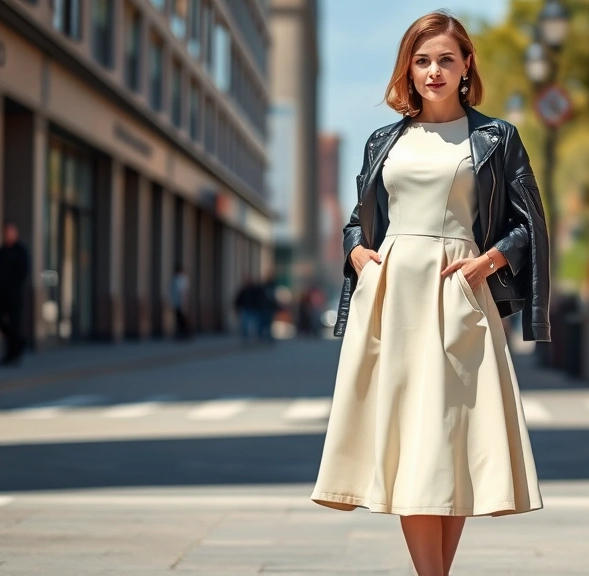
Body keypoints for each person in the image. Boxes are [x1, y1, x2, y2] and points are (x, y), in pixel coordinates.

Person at [310, 11, 550, 576]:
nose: (434, 71)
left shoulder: (495, 137)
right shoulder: (384, 139)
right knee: (412, 444)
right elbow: (358, 219)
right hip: (392, 299)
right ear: (408, 71)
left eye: (445, 59)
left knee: (449, 442)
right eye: (422, 61)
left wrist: (488, 261)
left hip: (458, 293)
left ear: (467, 64)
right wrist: (356, 253)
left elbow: (529, 222)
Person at [0, 222, 30, 366]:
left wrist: (13, 286)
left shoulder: (21, 250)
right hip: (1, 294)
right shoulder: (1, 251)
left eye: (10, 232)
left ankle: (12, 354)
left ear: (16, 233)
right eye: (5, 232)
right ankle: (19, 343)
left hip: (15, 294)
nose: (7, 234)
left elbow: (24, 271)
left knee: (14, 325)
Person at [233, 276, 261, 345]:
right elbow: (238, 299)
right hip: (246, 308)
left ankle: (257, 336)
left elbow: (258, 299)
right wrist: (237, 307)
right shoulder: (244, 290)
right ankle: (245, 338)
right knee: (244, 324)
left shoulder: (255, 290)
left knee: (255, 323)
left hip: (254, 308)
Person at [170, 264, 191, 340]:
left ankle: (186, 335)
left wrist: (184, 303)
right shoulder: (177, 279)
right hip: (177, 302)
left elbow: (183, 292)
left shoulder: (181, 279)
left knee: (182, 320)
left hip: (180, 303)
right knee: (179, 319)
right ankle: (182, 334)